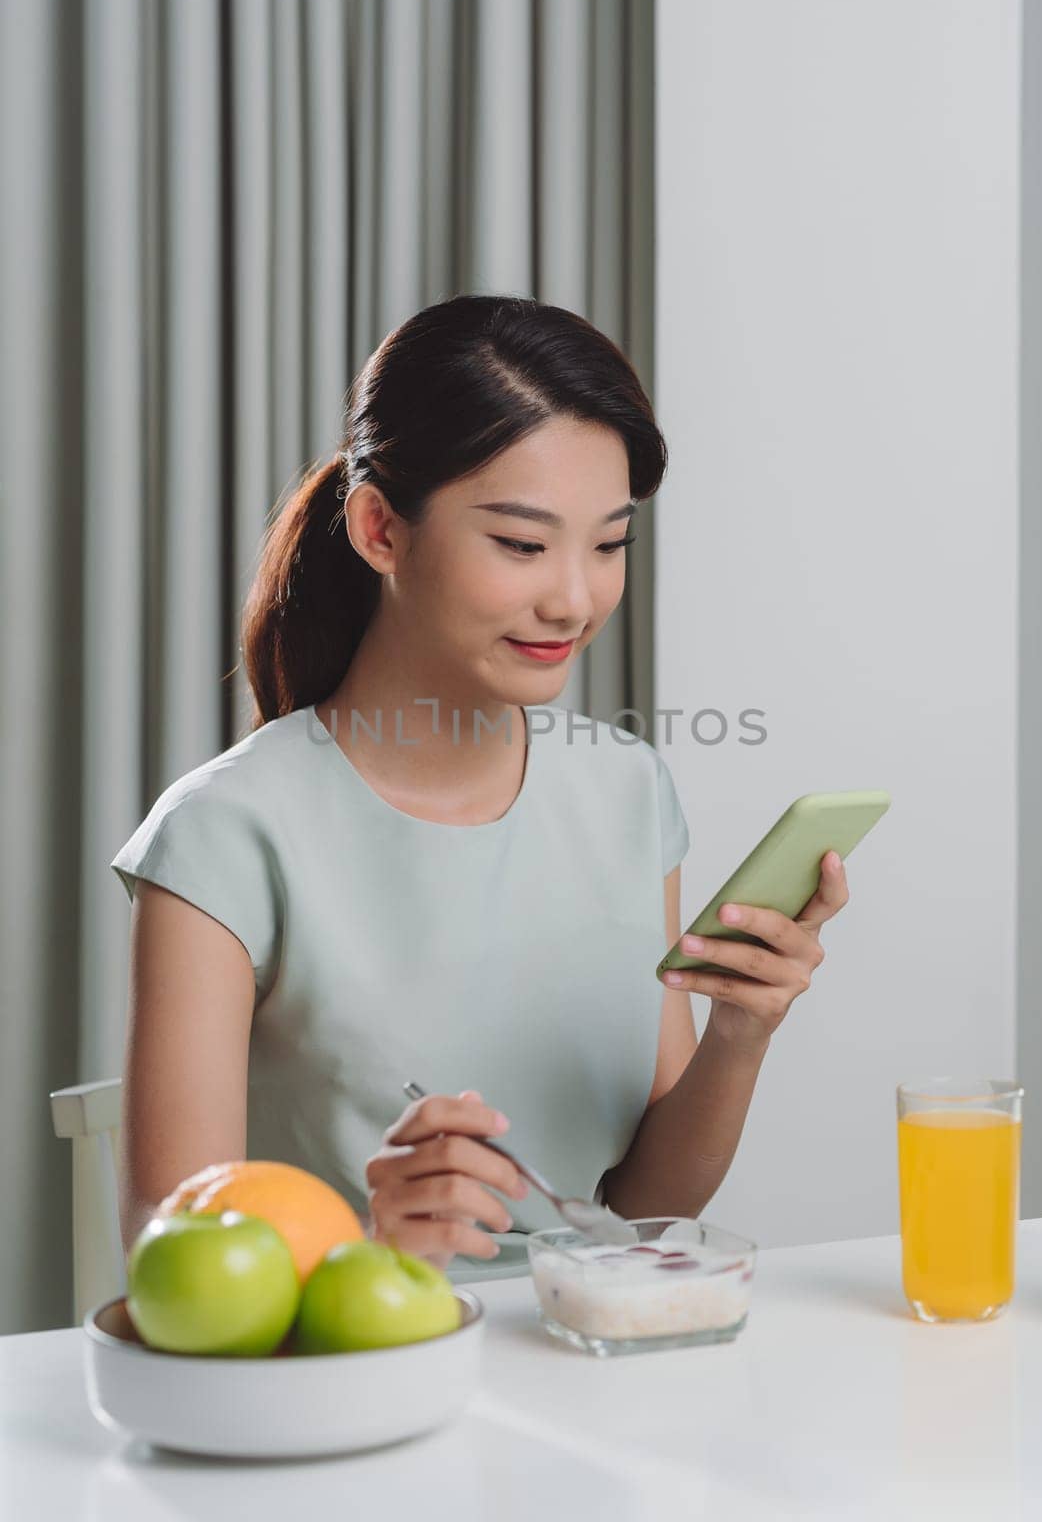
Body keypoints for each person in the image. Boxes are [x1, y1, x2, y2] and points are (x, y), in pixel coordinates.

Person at [111, 293, 847, 1280]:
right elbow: (172, 1252)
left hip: (588, 1365)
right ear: (380, 530)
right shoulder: (225, 835)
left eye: (609, 542)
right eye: (521, 543)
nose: (574, 598)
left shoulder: (628, 791)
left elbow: (639, 1210)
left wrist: (743, 1030)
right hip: (348, 1382)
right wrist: (374, 1244)